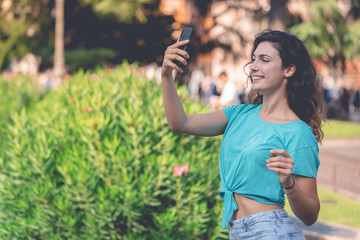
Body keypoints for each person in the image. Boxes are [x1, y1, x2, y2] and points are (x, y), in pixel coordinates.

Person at [161, 29, 323, 239]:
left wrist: (288, 183)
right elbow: (179, 122)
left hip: (270, 231)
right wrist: (166, 75)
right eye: (254, 59)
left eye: (264, 60)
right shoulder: (238, 114)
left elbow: (311, 215)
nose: (254, 66)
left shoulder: (298, 132)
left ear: (289, 69)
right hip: (237, 231)